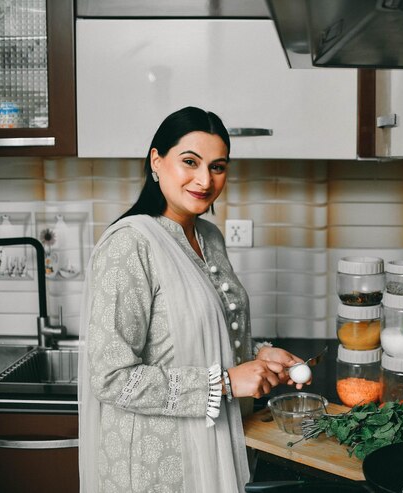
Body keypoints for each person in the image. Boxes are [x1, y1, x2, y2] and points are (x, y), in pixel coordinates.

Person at [78, 106, 306, 492]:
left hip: (212, 443)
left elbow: (196, 336)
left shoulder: (209, 238)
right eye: (190, 162)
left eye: (218, 166)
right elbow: (112, 378)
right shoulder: (130, 245)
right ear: (156, 160)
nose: (205, 180)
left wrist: (258, 356)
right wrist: (227, 383)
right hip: (155, 467)